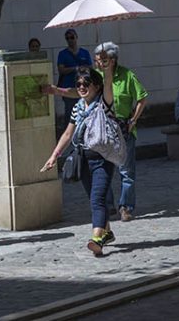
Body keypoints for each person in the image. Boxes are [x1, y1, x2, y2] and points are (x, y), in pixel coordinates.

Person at [45, 42, 148, 222]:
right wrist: (56, 90)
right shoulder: (93, 78)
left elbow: (142, 98)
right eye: (97, 60)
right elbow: (78, 93)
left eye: (102, 60)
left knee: (126, 172)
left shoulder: (126, 76)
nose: (98, 63)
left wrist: (133, 120)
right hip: (98, 134)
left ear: (112, 60)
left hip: (123, 128)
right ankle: (106, 207)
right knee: (102, 176)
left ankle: (126, 207)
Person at [41, 65, 116, 256]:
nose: (82, 87)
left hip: (102, 159)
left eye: (86, 84)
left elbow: (108, 84)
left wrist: (107, 68)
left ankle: (96, 238)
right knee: (94, 198)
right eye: (79, 84)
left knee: (98, 198)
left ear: (97, 86)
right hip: (83, 159)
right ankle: (106, 232)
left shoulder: (104, 104)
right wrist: (54, 156)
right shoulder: (77, 107)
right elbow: (68, 133)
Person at [57, 29, 93, 128]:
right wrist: (75, 68)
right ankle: (69, 137)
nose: (70, 40)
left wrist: (82, 69)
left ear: (76, 37)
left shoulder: (84, 53)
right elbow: (61, 70)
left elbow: (90, 68)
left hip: (83, 88)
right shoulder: (63, 54)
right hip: (68, 88)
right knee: (69, 113)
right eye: (67, 38)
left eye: (72, 37)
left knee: (85, 111)